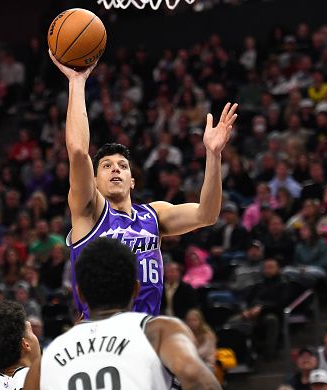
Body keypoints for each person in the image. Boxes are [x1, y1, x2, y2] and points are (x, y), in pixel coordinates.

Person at [48, 50, 238, 318]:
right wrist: (77, 82)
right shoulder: (88, 212)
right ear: (93, 181)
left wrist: (214, 155)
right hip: (100, 334)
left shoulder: (153, 214)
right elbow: (79, 151)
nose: (116, 168)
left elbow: (206, 214)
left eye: (122, 166)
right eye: (106, 166)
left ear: (132, 180)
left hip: (144, 333)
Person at [23, 237, 223, 390]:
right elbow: (194, 376)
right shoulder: (158, 331)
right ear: (136, 289)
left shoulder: (47, 358)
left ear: (80, 294)